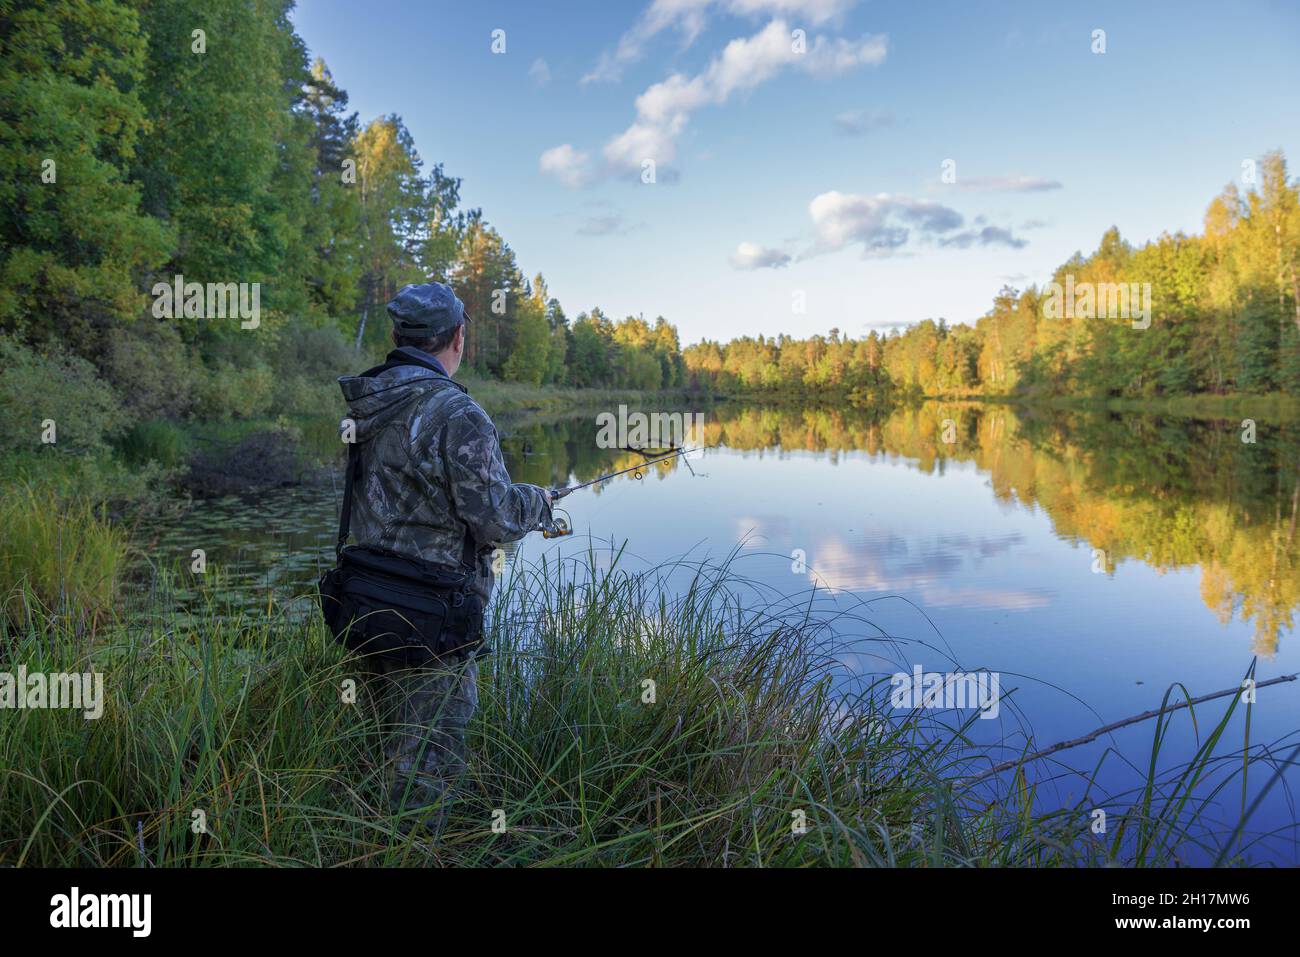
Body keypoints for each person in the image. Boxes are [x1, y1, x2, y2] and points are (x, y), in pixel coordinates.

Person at [336, 281, 552, 833]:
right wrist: (540, 501)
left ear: (397, 335)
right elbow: (497, 519)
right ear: (458, 337)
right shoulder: (460, 414)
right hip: (431, 617)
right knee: (426, 766)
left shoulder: (369, 401)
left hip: (362, 603)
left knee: (376, 746)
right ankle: (408, 850)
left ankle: (364, 841)